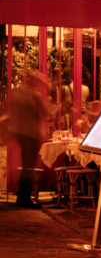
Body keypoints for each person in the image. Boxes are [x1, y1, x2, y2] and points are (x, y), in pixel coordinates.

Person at [9, 72, 48, 209]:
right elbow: (45, 111)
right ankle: (24, 199)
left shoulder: (17, 92)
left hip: (21, 134)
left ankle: (21, 197)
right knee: (29, 168)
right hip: (32, 135)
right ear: (36, 81)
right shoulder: (35, 95)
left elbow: (12, 110)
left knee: (26, 167)